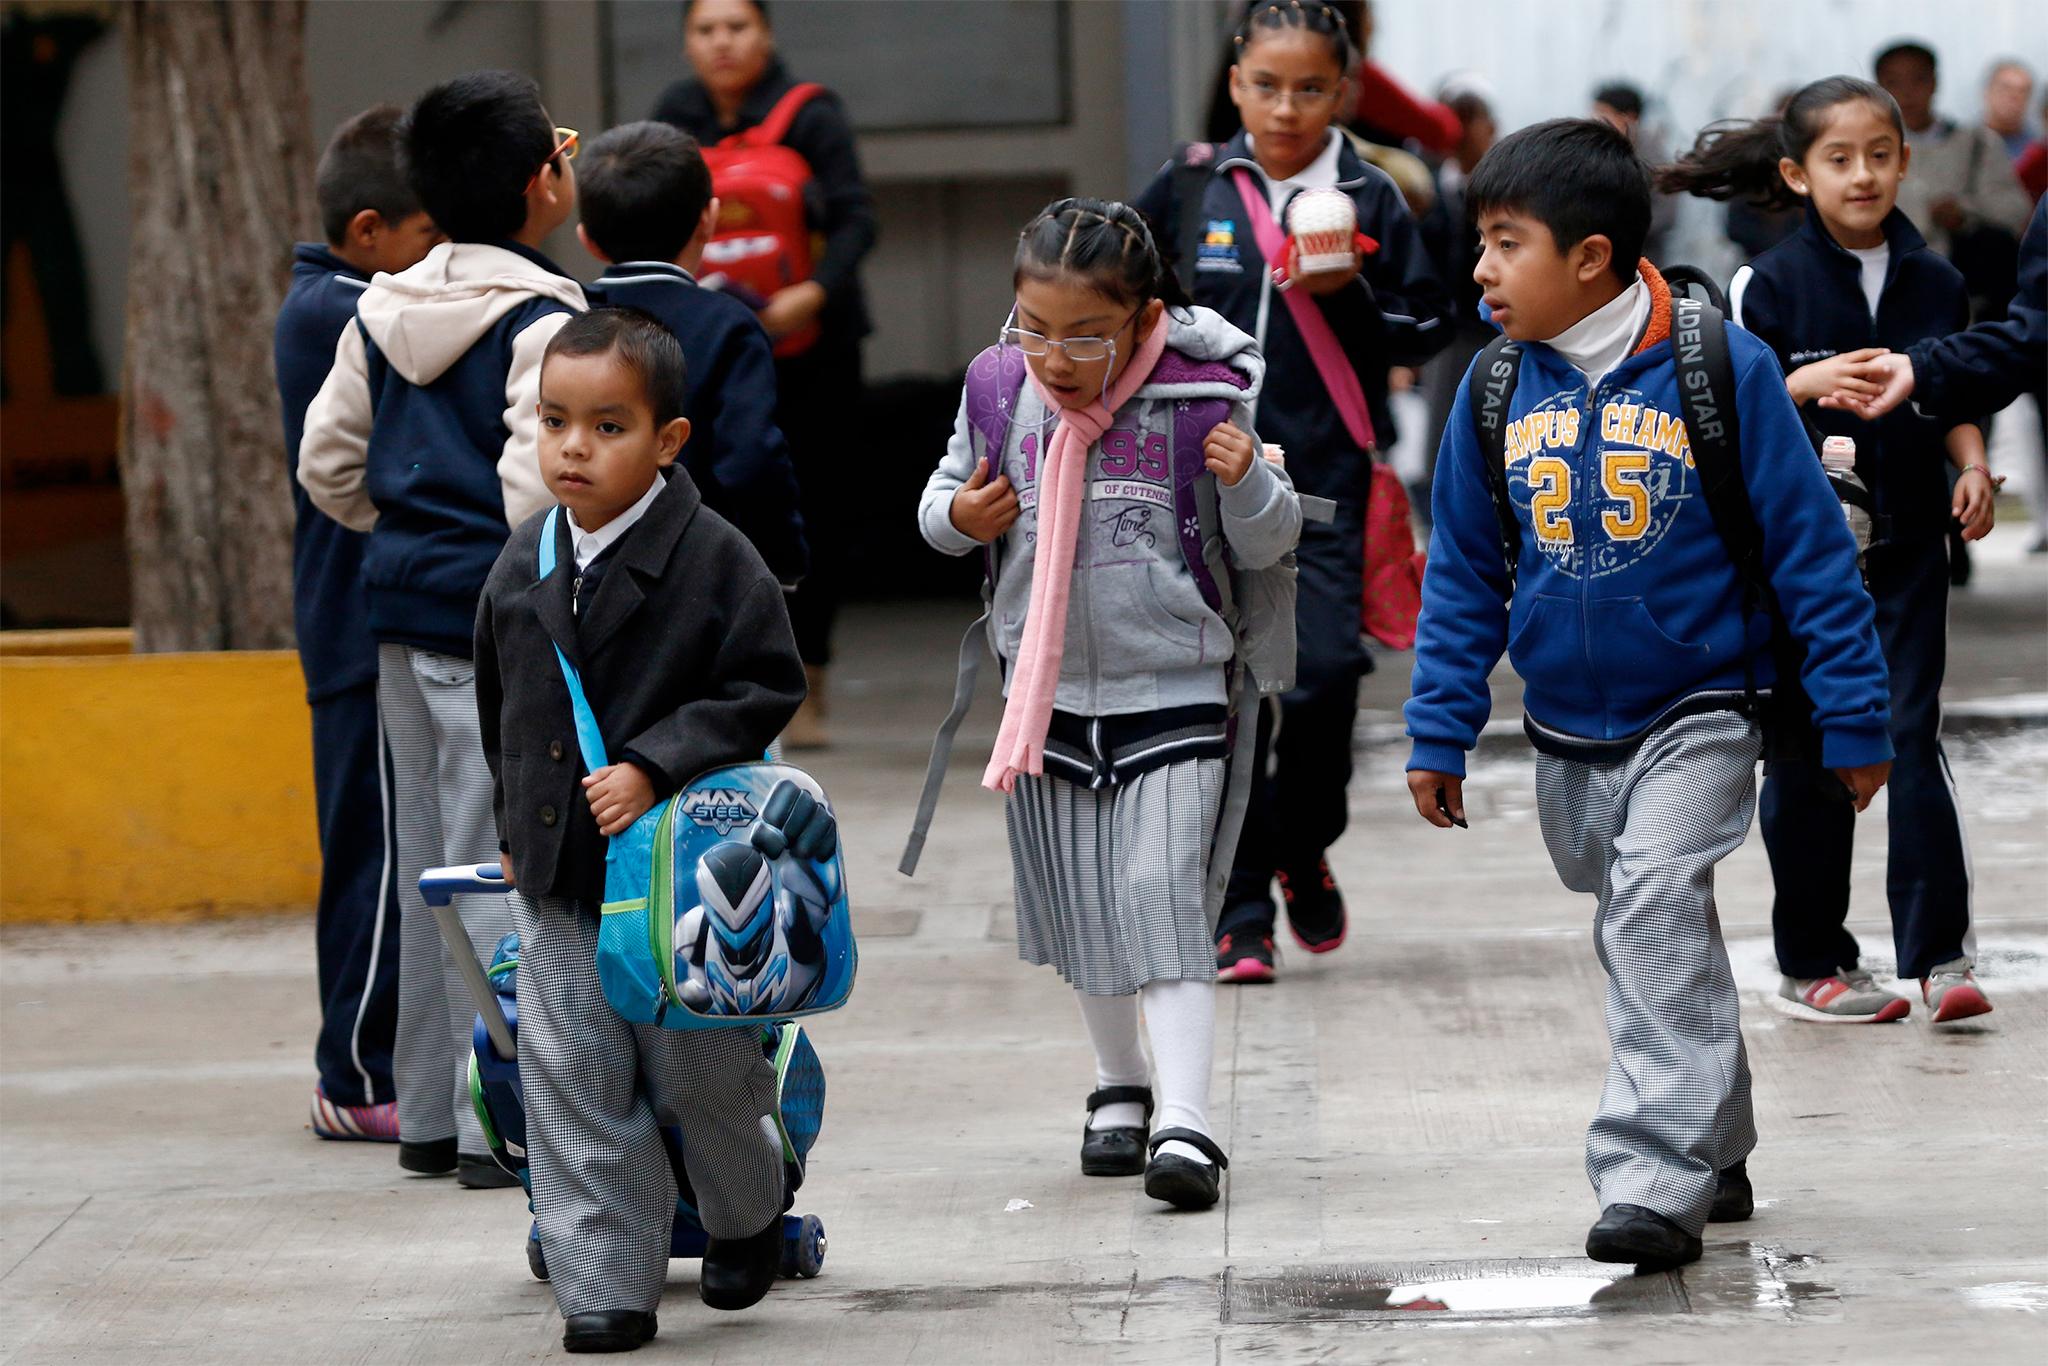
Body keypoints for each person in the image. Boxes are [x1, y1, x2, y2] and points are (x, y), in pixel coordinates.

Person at [1405, 118, 1892, 1271]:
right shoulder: (1489, 390)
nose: (1479, 269)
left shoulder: (1715, 367)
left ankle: (1648, 1179)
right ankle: (1714, 1138)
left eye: (1503, 244)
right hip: (1567, 724)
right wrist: (1439, 725)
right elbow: (1465, 572)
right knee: (1639, 924)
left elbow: (1808, 553)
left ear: (1588, 258)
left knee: (1653, 901)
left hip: (1700, 701)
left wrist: (1851, 713)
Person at [918, 199, 1302, 1210]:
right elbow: (937, 506)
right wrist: (961, 515)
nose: (1051, 355)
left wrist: (1248, 486)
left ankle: (1187, 1122)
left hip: (1173, 684)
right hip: (1041, 696)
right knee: (1082, 905)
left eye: (1081, 335)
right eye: (1032, 327)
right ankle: (1117, 1085)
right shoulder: (998, 389)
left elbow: (1265, 545)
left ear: (1142, 318)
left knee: (1162, 898)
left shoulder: (1204, 398)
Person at [474, 307, 806, 1354]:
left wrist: (656, 763)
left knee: (693, 1070)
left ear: (668, 440)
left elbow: (765, 683)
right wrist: (514, 825)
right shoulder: (522, 560)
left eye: (607, 426)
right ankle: (605, 1285)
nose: (573, 447)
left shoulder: (715, 557)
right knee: (569, 1074)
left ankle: (748, 1211)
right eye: (554, 421)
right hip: (563, 874)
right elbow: (505, 708)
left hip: (687, 883)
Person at [298, 71, 584, 1188]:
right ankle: (485, 1125)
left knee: (421, 864)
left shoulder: (381, 304)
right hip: (492, 629)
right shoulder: (545, 316)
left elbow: (328, 466)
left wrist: (404, 528)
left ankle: (424, 1111)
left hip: (393, 620)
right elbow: (536, 493)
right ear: (537, 186)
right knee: (491, 872)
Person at [1663, 77, 1997, 1024]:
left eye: (1881, 155)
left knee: (1911, 734)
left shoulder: (1933, 279)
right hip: (1801, 559)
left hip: (1908, 547)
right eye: (1839, 159)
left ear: (1905, 160)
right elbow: (1720, 410)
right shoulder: (1764, 283)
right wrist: (1808, 380)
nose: (1864, 175)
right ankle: (1815, 961)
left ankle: (1941, 960)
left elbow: (1953, 392)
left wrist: (1971, 467)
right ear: (1796, 174)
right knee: (1808, 751)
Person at [1136, 0, 1454, 983]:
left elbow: (1426, 323)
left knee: (1317, 684)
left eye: (1309, 88)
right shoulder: (1189, 188)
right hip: (1199, 484)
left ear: (1343, 91)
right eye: (1266, 85)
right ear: (1235, 82)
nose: (1285, 107)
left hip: (1319, 486)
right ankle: (1238, 911)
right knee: (1225, 700)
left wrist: (1344, 292)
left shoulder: (1371, 193)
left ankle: (1300, 838)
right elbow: (1123, 304)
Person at [274, 105, 442, 1144]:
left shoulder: (356, 298)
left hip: (363, 614)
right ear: (371, 229)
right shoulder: (341, 312)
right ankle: (356, 1067)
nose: (437, 256)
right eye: (430, 235)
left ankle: (375, 1053)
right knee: (374, 857)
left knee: (384, 842)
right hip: (353, 622)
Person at [654, 0, 877, 749]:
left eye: (737, 26)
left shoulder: (812, 114)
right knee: (712, 495)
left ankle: (807, 677)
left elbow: (855, 219)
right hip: (712, 344)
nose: (722, 42)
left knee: (814, 507)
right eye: (705, 29)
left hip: (813, 345)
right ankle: (723, 668)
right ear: (687, 41)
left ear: (767, 35)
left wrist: (809, 296)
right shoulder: (674, 114)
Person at [575, 120, 807, 586]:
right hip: (699, 574)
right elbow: (752, 459)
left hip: (582, 567)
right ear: (709, 218)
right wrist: (780, 559)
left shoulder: (566, 318)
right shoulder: (729, 325)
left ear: (588, 239)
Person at [1874, 41, 2032, 315]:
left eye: (1918, 80)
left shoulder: (1978, 143)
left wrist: (1964, 211)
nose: (1907, 92)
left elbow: (2016, 209)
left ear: (1934, 82)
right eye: (1894, 82)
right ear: (1878, 89)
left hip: (1970, 291)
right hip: (1892, 286)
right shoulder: (1868, 150)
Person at [1591, 83, 1676, 263]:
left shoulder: (1653, 157)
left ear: (1629, 117)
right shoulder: (1595, 150)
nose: (1594, 119)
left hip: (1641, 261)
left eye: (1603, 113)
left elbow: (1666, 214)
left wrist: (1614, 230)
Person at [1983, 60, 2035, 164]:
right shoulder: (1964, 143)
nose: (2013, 97)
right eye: (2005, 88)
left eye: (2022, 91)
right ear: (1987, 92)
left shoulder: (2037, 149)